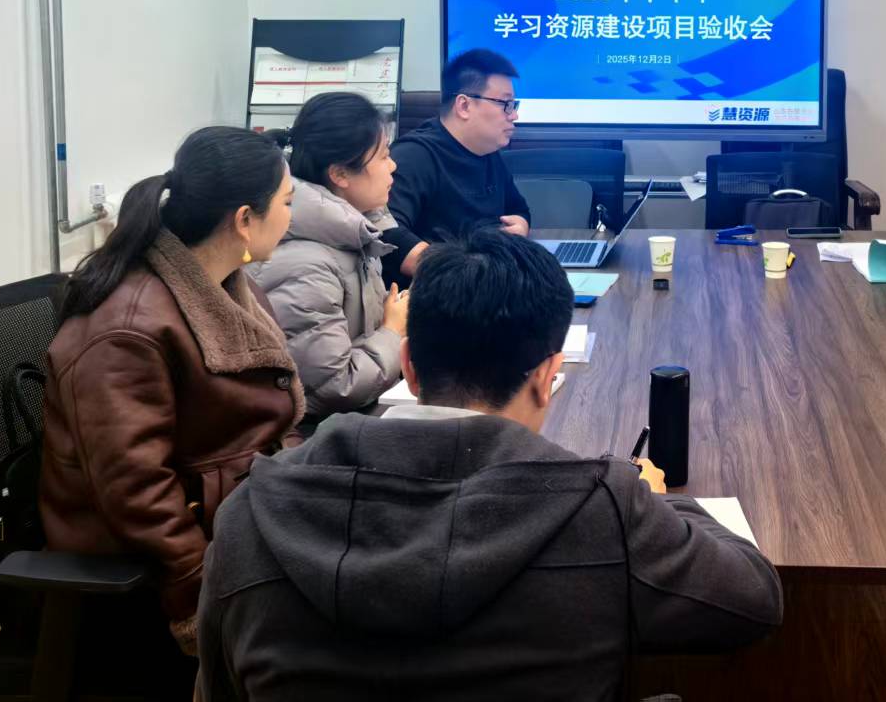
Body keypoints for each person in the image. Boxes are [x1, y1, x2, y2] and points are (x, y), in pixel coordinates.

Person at [197, 228, 785, 700]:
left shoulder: (250, 514)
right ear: (546, 377)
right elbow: (754, 599)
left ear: (409, 365)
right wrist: (656, 501)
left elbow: (219, 686)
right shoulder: (603, 511)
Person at [41, 127, 304, 688]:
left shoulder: (226, 282)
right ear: (244, 219)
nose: (292, 217)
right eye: (287, 202)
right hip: (161, 569)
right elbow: (135, 491)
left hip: (233, 516)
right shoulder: (126, 329)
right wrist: (198, 598)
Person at [253, 91, 420, 425]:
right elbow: (335, 386)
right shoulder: (305, 264)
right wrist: (392, 330)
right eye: (384, 156)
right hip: (310, 438)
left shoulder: (353, 232)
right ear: (340, 174)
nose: (393, 166)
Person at [386, 48, 531, 263]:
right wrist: (453, 271)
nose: (514, 115)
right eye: (505, 104)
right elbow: (388, 233)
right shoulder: (413, 156)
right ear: (464, 105)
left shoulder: (487, 151)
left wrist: (521, 225)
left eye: (513, 105)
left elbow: (518, 209)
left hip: (491, 274)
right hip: (436, 281)